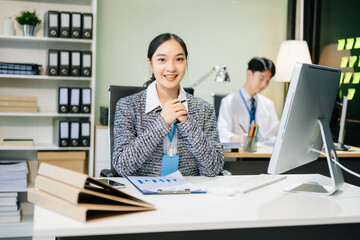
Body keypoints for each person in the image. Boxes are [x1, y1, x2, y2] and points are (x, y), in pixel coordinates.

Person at [112, 33, 224, 177]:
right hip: (142, 195)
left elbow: (214, 168)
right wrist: (162, 122)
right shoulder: (127, 106)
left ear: (186, 62)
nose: (171, 67)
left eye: (179, 59)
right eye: (162, 60)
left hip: (189, 195)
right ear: (150, 64)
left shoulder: (204, 109)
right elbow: (122, 167)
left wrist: (186, 122)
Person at [218, 57, 279, 143]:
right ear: (249, 74)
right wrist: (238, 138)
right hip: (239, 154)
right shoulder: (228, 102)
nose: (264, 84)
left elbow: (275, 134)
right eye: (261, 79)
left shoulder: (268, 104)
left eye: (267, 81)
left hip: (263, 153)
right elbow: (222, 132)